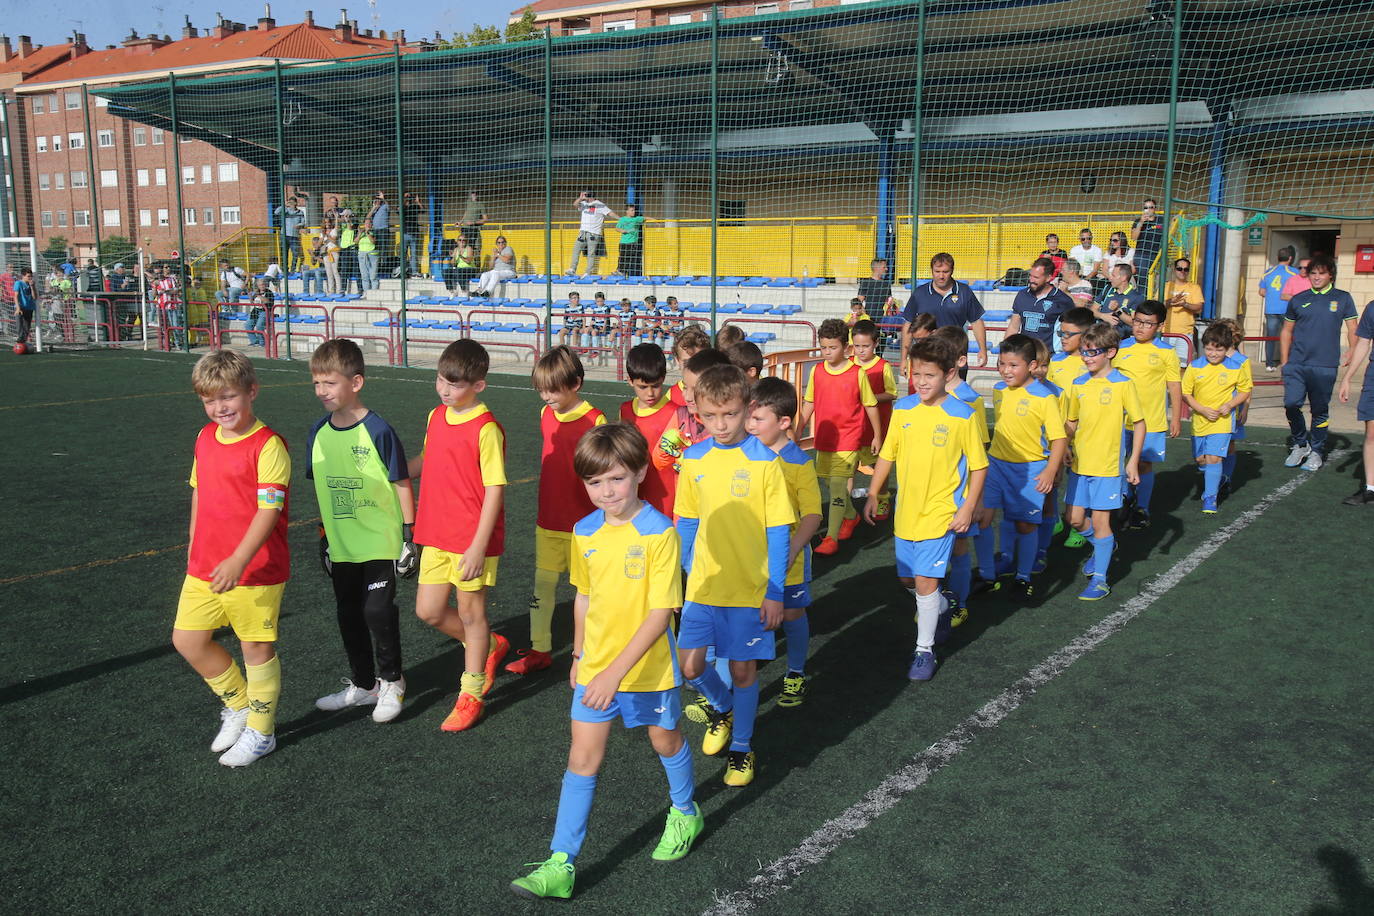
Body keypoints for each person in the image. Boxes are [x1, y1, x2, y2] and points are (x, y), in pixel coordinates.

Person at [509, 424, 701, 901]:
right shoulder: (584, 530)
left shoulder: (660, 533)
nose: (606, 491)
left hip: (646, 673)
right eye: (595, 483)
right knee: (581, 759)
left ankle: (685, 811)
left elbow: (661, 614)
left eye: (615, 479)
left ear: (638, 472)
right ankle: (560, 863)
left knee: (666, 740)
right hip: (597, 670)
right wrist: (579, 655)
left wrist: (615, 673)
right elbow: (584, 596)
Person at [675, 364, 795, 786]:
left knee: (745, 672)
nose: (721, 425)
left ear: (748, 408)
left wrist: (775, 592)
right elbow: (686, 521)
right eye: (711, 416)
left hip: (749, 591)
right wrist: (681, 575)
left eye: (729, 414)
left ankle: (742, 749)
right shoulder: (693, 459)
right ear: (699, 413)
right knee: (690, 667)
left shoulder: (766, 462)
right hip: (703, 587)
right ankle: (721, 707)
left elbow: (779, 532)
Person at [172, 350, 289, 767]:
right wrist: (192, 542)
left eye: (229, 397)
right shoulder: (205, 438)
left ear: (252, 391)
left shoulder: (268, 445)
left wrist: (240, 559)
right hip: (204, 563)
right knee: (187, 640)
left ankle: (261, 732)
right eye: (210, 400)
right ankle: (239, 704)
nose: (220, 407)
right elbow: (199, 490)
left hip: (255, 570)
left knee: (255, 646)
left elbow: (268, 510)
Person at [862, 337, 987, 681]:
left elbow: (979, 467)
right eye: (916, 374)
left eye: (929, 375)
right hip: (907, 511)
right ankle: (944, 607)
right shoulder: (903, 409)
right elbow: (887, 454)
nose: (921, 381)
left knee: (926, 583)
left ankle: (924, 650)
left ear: (948, 374)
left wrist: (968, 507)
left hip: (941, 513)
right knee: (907, 579)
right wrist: (875, 492)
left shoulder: (963, 414)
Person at [307, 339, 418, 722]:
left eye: (330, 383)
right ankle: (364, 684)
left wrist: (408, 535)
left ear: (356, 383)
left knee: (377, 611)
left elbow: (401, 481)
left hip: (380, 541)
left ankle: (392, 681)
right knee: (347, 613)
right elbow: (321, 488)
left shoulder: (378, 430)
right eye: (317, 383)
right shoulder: (318, 433)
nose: (322, 391)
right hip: (341, 545)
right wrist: (323, 535)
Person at [409, 340, 510, 731]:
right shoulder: (436, 416)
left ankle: (471, 694)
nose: (445, 389)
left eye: (454, 384)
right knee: (429, 611)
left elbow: (495, 490)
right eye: (440, 380)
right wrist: (398, 467)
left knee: (472, 614)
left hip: (470, 541)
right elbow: (426, 459)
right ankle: (489, 644)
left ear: (478, 386)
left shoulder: (487, 429)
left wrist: (478, 547)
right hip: (434, 533)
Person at [512, 347, 607, 676]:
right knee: (544, 585)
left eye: (552, 390)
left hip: (586, 524)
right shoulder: (545, 415)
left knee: (589, 590)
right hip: (548, 518)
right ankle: (540, 649)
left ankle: (593, 651)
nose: (546, 397)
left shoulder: (596, 420)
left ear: (576, 383)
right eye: (541, 390)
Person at [745, 377, 822, 707]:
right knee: (748, 615)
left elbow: (812, 515)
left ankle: (795, 672)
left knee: (791, 615)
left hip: (787, 560)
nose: (749, 425)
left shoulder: (799, 463)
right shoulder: (744, 456)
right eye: (748, 417)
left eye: (758, 419)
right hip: (748, 558)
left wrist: (792, 549)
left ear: (784, 422)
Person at [1063, 322, 1145, 601]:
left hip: (1108, 468)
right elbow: (1071, 421)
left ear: (1110, 352)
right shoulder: (1078, 383)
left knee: (1100, 522)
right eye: (1084, 352)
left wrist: (1132, 462)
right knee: (1073, 520)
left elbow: (1140, 423)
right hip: (1079, 466)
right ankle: (1104, 547)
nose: (1086, 358)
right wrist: (1063, 442)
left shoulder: (1123, 384)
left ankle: (1100, 579)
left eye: (1092, 352)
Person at [988, 333, 1068, 597]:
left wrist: (1049, 470)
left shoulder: (1045, 397)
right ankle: (994, 568)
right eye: (1002, 364)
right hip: (996, 466)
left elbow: (1058, 439)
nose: (1006, 371)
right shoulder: (998, 390)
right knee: (985, 517)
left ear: (1032, 366)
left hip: (1030, 469)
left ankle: (1023, 576)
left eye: (1013, 365)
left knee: (1025, 524)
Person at [800, 318, 881, 556]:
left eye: (832, 347)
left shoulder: (857, 374)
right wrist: (798, 429)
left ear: (845, 348)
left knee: (836, 487)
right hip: (824, 439)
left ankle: (831, 537)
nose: (827, 352)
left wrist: (877, 435)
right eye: (823, 347)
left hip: (849, 440)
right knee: (827, 482)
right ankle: (850, 516)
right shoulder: (816, 371)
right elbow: (809, 402)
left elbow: (871, 405)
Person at [1279, 255, 1358, 472]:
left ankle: (1317, 451)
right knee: (1291, 404)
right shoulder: (1298, 299)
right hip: (1297, 363)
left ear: (1330, 274)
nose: (1316, 277)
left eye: (1321, 273)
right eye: (1313, 273)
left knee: (1319, 410)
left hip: (1325, 365)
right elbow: (1286, 331)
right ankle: (1300, 443)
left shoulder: (1343, 298)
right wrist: (1285, 362)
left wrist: (1352, 350)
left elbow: (1353, 329)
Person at [1111, 299, 1182, 530]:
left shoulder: (1166, 352)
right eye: (1138, 321)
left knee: (1143, 464)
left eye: (1148, 323)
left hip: (1151, 420)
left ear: (1160, 326)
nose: (1140, 327)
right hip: (1120, 420)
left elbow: (1174, 385)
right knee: (1120, 463)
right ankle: (1124, 499)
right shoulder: (1121, 347)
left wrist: (1177, 417)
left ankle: (1142, 507)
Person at [1183, 324, 1253, 515]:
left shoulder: (1235, 367)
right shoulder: (1195, 367)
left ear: (1228, 348)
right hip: (1200, 421)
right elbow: (1186, 393)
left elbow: (1245, 390)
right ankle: (1219, 479)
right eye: (1209, 349)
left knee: (1214, 457)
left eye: (1219, 349)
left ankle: (1210, 497)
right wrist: (1201, 409)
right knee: (1201, 460)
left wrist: (1230, 405)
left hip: (1222, 422)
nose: (1213, 353)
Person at [652, 348, 730, 480]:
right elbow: (659, 463)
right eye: (685, 387)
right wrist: (664, 448)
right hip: (684, 499)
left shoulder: (729, 425)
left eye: (695, 390)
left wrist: (693, 463)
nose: (687, 396)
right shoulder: (681, 415)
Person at [901, 252, 988, 369]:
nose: (941, 276)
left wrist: (983, 349)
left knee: (955, 387)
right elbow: (908, 324)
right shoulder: (920, 293)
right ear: (932, 271)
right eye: (937, 271)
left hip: (955, 355)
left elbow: (977, 321)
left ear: (952, 271)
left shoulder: (964, 291)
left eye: (945, 272)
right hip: (927, 358)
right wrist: (903, 358)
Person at [620, 343, 678, 515]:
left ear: (664, 377)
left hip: (668, 495)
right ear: (630, 381)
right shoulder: (625, 410)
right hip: (635, 493)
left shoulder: (676, 412)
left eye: (656, 385)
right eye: (643, 387)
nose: (651, 393)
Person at [850, 319, 897, 520]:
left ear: (876, 344)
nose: (861, 351)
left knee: (880, 464)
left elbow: (891, 393)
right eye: (857, 346)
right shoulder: (848, 364)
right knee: (848, 464)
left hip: (878, 427)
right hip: (853, 426)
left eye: (865, 346)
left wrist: (868, 399)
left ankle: (882, 497)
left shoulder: (883, 366)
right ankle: (846, 506)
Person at [1337, 297, 1374, 506]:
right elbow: (1363, 343)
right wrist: (1347, 377)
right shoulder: (1372, 307)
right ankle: (1370, 489)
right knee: (1371, 432)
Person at [1006, 257, 1073, 350]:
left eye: (1036, 277)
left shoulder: (1063, 300)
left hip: (1050, 357)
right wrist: (1005, 350)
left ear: (1049, 278)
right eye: (1031, 276)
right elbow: (1013, 326)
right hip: (1026, 354)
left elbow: (1071, 331)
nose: (1031, 280)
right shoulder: (1022, 295)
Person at [1259, 247, 1299, 370]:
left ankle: (1269, 364)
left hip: (1270, 309)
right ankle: (1288, 361)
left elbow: (1261, 292)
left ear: (1278, 258)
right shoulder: (1294, 272)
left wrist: (1273, 295)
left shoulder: (1267, 272)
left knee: (1271, 336)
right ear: (1290, 258)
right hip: (1287, 309)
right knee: (1290, 336)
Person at [568, 190, 618, 276]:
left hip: (593, 233)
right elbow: (575, 205)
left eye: (586, 195)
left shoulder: (599, 204)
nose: (584, 197)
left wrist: (621, 219)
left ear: (590, 196)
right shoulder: (583, 204)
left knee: (591, 253)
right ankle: (572, 269)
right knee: (576, 250)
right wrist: (580, 198)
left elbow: (610, 213)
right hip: (583, 232)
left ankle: (588, 272)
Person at [1163, 257, 1204, 355]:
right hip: (1166, 331)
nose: (1182, 271)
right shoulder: (1166, 286)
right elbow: (1158, 306)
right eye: (1179, 269)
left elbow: (1199, 308)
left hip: (1185, 333)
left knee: (1183, 365)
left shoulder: (1194, 288)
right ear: (1174, 269)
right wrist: (1171, 301)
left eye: (1186, 269)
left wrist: (1185, 304)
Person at [1098, 263, 1145, 335]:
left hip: (1120, 339)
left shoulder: (1137, 297)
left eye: (1113, 275)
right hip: (1100, 335)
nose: (1110, 278)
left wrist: (1117, 310)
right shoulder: (1107, 289)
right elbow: (1093, 309)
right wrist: (1103, 316)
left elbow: (1134, 323)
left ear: (1123, 278)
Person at [668, 323, 709, 405]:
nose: (693, 367)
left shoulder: (717, 391)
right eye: (687, 362)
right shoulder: (670, 396)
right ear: (677, 361)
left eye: (698, 360)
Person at [1129, 198, 1164, 291]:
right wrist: (1141, 222)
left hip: (1158, 254)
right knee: (1143, 281)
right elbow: (1134, 237)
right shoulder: (1138, 221)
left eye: (1151, 207)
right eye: (1146, 207)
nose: (1148, 210)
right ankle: (1142, 300)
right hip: (1142, 254)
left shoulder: (1161, 220)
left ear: (1155, 208)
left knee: (1158, 282)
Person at [154, 265, 184, 351]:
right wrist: (155, 288)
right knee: (163, 326)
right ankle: (166, 344)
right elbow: (154, 294)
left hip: (172, 306)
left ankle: (178, 343)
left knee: (175, 325)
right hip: (161, 307)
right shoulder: (157, 281)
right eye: (166, 267)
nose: (168, 268)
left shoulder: (172, 279)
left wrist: (166, 291)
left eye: (168, 267)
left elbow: (176, 290)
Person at [274, 197, 306, 270]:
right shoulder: (285, 211)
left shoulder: (300, 212)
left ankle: (293, 268)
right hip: (285, 235)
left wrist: (298, 225)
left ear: (296, 203)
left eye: (292, 202)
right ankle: (284, 268)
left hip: (294, 235)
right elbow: (276, 212)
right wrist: (284, 205)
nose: (291, 204)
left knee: (295, 253)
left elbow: (303, 222)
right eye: (290, 202)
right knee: (284, 252)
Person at [1100, 232, 1134, 299]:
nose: (1112, 242)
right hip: (1110, 277)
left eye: (1115, 240)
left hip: (1125, 276)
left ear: (1122, 241)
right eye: (1111, 240)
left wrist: (1122, 277)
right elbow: (1104, 270)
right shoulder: (1108, 253)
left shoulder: (1131, 251)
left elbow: (1132, 269)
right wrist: (1111, 278)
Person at [615, 204, 646, 276]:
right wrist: (623, 231)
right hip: (623, 242)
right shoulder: (622, 219)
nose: (634, 212)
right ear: (627, 211)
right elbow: (617, 228)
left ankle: (625, 273)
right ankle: (620, 271)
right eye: (632, 210)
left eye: (634, 210)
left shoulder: (636, 219)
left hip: (632, 243)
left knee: (630, 258)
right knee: (622, 257)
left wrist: (656, 221)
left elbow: (645, 218)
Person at [400, 193, 422, 278]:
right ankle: (403, 271)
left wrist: (418, 202)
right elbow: (398, 211)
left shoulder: (414, 207)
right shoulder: (402, 207)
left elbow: (423, 210)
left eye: (409, 197)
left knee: (414, 254)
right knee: (403, 254)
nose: (408, 198)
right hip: (404, 233)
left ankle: (414, 272)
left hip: (413, 234)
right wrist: (404, 202)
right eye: (406, 197)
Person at [367, 193, 392, 270]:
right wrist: (373, 208)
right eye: (375, 200)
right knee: (376, 248)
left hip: (383, 230)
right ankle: (376, 265)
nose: (377, 202)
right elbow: (367, 217)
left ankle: (384, 266)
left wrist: (383, 198)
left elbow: (389, 206)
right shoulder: (374, 210)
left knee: (384, 249)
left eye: (378, 200)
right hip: (375, 231)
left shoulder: (384, 207)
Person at [458, 189, 487, 254]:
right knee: (462, 245)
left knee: (472, 247)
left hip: (473, 229)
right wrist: (460, 222)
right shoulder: (468, 202)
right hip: (465, 228)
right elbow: (466, 212)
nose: (474, 194)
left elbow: (485, 219)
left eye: (476, 193)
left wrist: (473, 222)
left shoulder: (481, 204)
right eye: (473, 193)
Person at [12, 268, 36, 346]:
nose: (30, 278)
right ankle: (20, 337)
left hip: (29, 307)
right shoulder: (18, 283)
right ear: (23, 276)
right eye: (28, 276)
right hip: (21, 307)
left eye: (31, 276)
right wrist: (18, 308)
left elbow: (34, 297)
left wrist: (32, 287)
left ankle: (23, 342)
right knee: (19, 321)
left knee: (27, 326)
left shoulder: (31, 284)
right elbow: (16, 296)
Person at [246, 278, 273, 348]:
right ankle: (254, 342)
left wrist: (259, 295)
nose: (262, 286)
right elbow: (252, 303)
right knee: (248, 325)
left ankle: (262, 342)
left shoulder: (269, 292)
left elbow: (267, 301)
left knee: (259, 326)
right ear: (258, 286)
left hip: (265, 310)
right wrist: (250, 297)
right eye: (260, 285)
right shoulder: (256, 292)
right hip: (256, 310)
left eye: (263, 284)